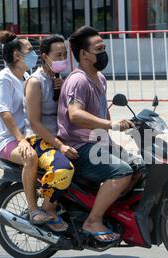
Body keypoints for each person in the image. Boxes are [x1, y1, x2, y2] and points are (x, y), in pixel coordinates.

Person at [58, 26, 138, 244]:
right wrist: (110, 125)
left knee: (139, 165)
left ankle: (112, 211)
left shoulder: (99, 78)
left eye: (104, 48)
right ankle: (93, 220)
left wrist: (110, 139)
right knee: (122, 172)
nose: (103, 53)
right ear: (84, 54)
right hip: (80, 146)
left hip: (98, 142)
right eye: (99, 49)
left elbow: (102, 110)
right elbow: (75, 115)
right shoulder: (79, 80)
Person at [0, 31, 49, 226]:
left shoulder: (26, 77)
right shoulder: (4, 78)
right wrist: (20, 139)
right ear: (17, 55)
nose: (35, 54)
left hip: (27, 135)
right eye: (30, 50)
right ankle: (32, 209)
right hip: (6, 139)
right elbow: (4, 112)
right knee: (30, 157)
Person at [24, 35, 77, 232]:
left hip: (59, 136)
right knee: (63, 168)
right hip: (38, 139)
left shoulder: (60, 80)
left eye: (65, 54)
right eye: (58, 55)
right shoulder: (35, 82)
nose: (62, 58)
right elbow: (35, 123)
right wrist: (60, 146)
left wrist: (64, 91)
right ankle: (48, 208)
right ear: (45, 56)